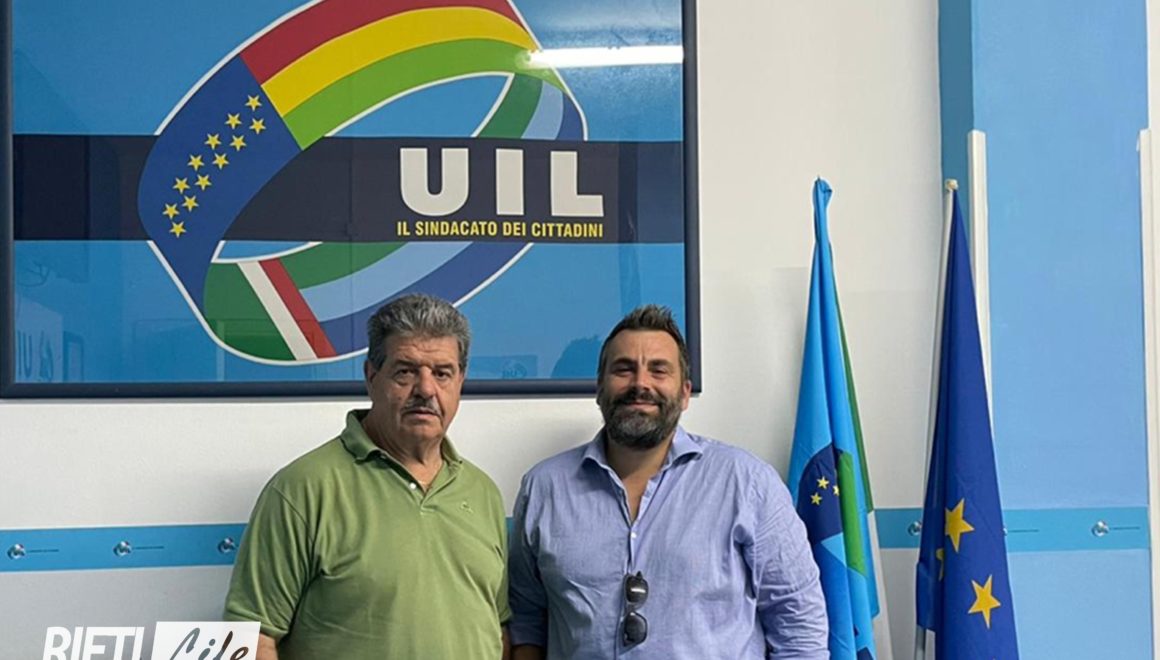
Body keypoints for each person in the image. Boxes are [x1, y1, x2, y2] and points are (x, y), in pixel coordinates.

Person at [508, 305, 828, 659]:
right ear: (600, 388)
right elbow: (527, 617)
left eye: (658, 370)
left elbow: (799, 623)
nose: (640, 384)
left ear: (685, 392)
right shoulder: (544, 488)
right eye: (623, 369)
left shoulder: (747, 483)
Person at [224, 293, 510, 660]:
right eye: (405, 371)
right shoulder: (302, 490)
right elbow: (249, 638)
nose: (426, 389)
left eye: (442, 373)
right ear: (371, 376)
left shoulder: (482, 492)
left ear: (460, 382)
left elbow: (497, 628)